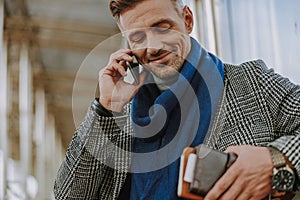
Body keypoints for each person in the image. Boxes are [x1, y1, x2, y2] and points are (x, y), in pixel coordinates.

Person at [54, 0, 300, 199]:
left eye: (162, 27)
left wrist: (277, 161)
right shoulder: (120, 118)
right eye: (138, 38)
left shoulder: (250, 82)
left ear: (188, 20)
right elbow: (69, 195)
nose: (153, 47)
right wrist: (106, 108)